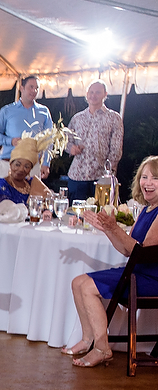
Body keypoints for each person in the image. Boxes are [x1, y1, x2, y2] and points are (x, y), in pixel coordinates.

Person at [67, 156, 158, 367]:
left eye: (155, 178)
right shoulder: (146, 210)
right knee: (77, 282)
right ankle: (88, 339)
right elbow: (127, 250)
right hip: (135, 272)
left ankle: (102, 348)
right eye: (144, 177)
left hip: (151, 279)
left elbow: (142, 252)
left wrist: (114, 228)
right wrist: (108, 230)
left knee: (88, 288)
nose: (147, 183)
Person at [66, 81, 124, 201]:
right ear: (87, 94)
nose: (94, 95)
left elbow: (116, 149)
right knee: (75, 211)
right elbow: (65, 140)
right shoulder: (77, 118)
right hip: (77, 176)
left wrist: (108, 171)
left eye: (98, 92)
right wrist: (71, 148)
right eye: (91, 92)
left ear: (105, 94)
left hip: (101, 177)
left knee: (101, 212)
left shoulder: (114, 118)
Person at [0, 75, 53, 179]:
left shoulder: (44, 112)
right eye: (31, 87)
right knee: (4, 190)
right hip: (8, 164)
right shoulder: (7, 110)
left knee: (32, 191)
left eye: (37, 88)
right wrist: (10, 141)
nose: (34, 91)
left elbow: (49, 140)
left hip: (33, 166)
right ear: (21, 88)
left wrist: (46, 163)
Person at [0, 137, 49, 210]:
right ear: (11, 164)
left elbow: (47, 204)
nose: (21, 169)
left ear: (30, 169)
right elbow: (0, 212)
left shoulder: (33, 184)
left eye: (26, 167)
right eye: (17, 165)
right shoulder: (1, 185)